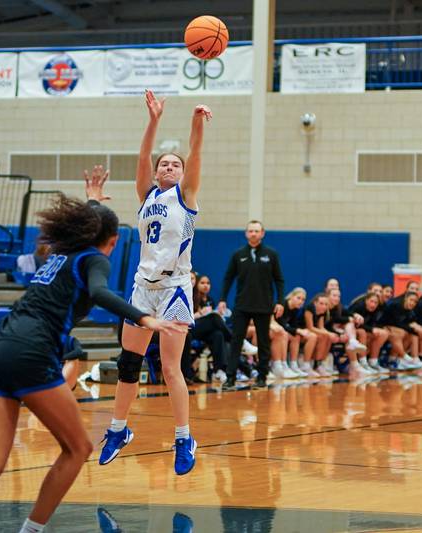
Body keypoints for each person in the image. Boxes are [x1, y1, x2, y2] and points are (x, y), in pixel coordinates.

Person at [0, 172, 186, 533]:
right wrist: (144, 317)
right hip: (32, 351)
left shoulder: (60, 253)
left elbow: (91, 228)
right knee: (78, 448)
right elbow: (100, 292)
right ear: (114, 241)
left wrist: (92, 199)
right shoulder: (95, 259)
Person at [97, 90, 210, 476]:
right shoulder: (146, 195)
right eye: (164, 163)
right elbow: (143, 155)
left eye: (175, 164)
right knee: (129, 363)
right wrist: (154, 120)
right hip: (142, 287)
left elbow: (196, 153)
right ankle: (118, 430)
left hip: (174, 288)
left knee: (170, 368)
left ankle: (183, 438)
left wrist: (196, 122)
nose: (169, 167)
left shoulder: (186, 195)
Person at [218, 220, 285, 390]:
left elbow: (279, 280)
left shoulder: (271, 254)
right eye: (250, 231)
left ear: (262, 233)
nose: (253, 234)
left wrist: (280, 302)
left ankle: (262, 377)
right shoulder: (238, 254)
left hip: (264, 306)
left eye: (256, 231)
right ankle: (230, 378)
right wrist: (222, 299)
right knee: (236, 341)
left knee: (263, 342)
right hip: (242, 305)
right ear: (246, 233)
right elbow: (228, 278)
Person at [191, 274, 231, 382]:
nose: (205, 285)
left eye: (208, 283)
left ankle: (219, 371)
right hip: (191, 328)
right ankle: (236, 340)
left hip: (205, 330)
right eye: (202, 283)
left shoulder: (210, 300)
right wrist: (200, 314)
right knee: (214, 317)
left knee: (218, 334)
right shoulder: (191, 296)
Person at [348, 291, 390, 374]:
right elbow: (356, 324)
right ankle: (363, 363)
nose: (373, 304)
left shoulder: (376, 309)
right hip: (352, 330)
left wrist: (376, 329)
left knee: (384, 333)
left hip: (365, 329)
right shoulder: (358, 306)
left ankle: (373, 361)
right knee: (363, 332)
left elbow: (373, 323)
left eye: (376, 303)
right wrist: (371, 329)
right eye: (371, 301)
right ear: (366, 301)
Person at [279, 287, 318, 377]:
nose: (301, 301)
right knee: (289, 335)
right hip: (276, 331)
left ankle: (294, 365)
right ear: (291, 297)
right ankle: (283, 365)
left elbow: (293, 324)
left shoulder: (295, 309)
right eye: (298, 298)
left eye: (303, 300)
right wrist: (298, 330)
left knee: (297, 336)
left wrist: (301, 330)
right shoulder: (283, 305)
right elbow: (282, 325)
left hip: (283, 331)